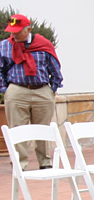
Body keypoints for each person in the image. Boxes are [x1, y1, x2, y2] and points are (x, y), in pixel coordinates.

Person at [0, 13, 63, 170]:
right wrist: (5, 90)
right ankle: (19, 163)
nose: (13, 35)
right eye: (11, 31)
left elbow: (55, 69)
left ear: (28, 29)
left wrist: (52, 89)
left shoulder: (43, 45)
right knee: (17, 129)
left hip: (41, 90)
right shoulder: (5, 46)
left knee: (43, 129)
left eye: (17, 31)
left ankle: (45, 162)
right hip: (16, 90)